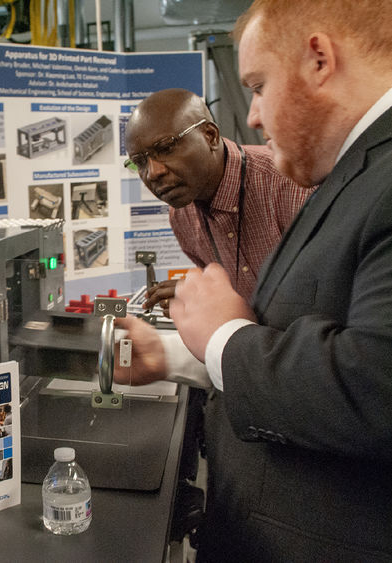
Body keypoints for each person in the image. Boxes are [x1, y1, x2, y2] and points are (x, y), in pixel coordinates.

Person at [123, 2, 392, 560]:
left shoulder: (310, 182)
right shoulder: (352, 174)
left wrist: (221, 336)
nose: (255, 117)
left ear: (319, 59)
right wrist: (179, 355)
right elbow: (293, 329)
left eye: (259, 86)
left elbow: (372, 385)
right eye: (141, 163)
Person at [123, 88, 313, 309]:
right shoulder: (181, 215)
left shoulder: (291, 184)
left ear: (210, 136)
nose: (153, 172)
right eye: (140, 162)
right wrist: (200, 298)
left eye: (166, 147)